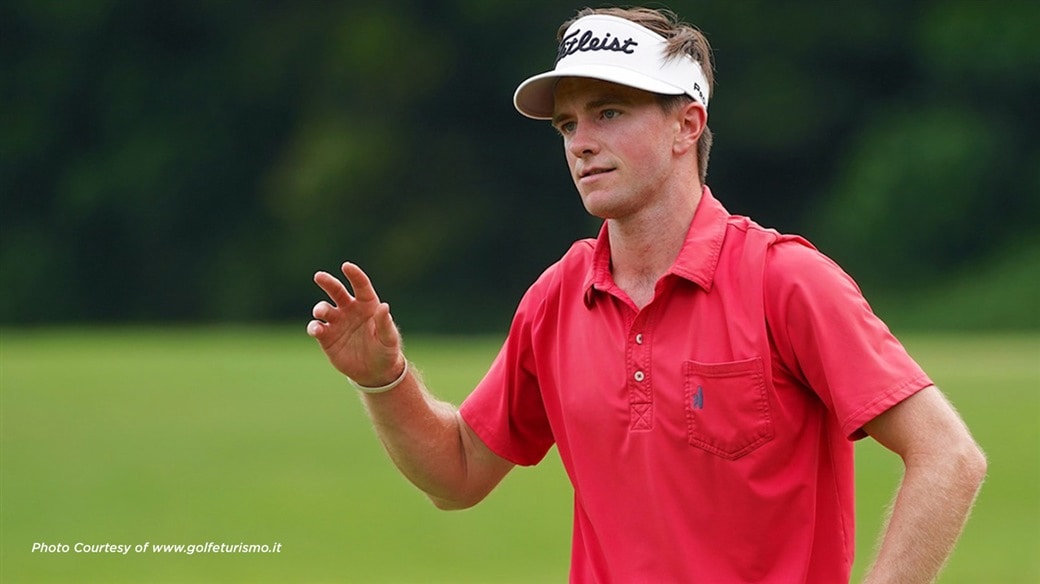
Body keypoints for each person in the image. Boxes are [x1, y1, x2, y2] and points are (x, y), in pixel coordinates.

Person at [307, 6, 986, 583]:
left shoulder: (787, 281)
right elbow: (457, 473)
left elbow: (948, 456)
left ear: (686, 126)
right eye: (568, 124)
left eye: (608, 111)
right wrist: (385, 381)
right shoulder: (556, 298)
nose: (582, 143)